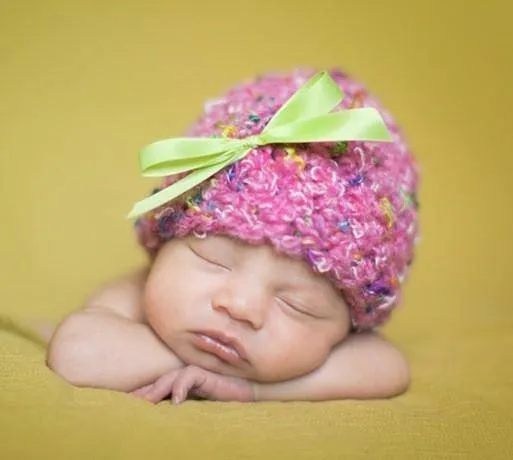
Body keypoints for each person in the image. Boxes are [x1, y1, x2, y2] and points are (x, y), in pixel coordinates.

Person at [46, 68, 419, 404]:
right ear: (162, 246)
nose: (241, 307)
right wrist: (190, 358)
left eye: (297, 305)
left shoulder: (354, 342)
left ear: (350, 327)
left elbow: (388, 368)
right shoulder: (133, 294)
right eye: (213, 262)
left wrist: (253, 389)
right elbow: (77, 355)